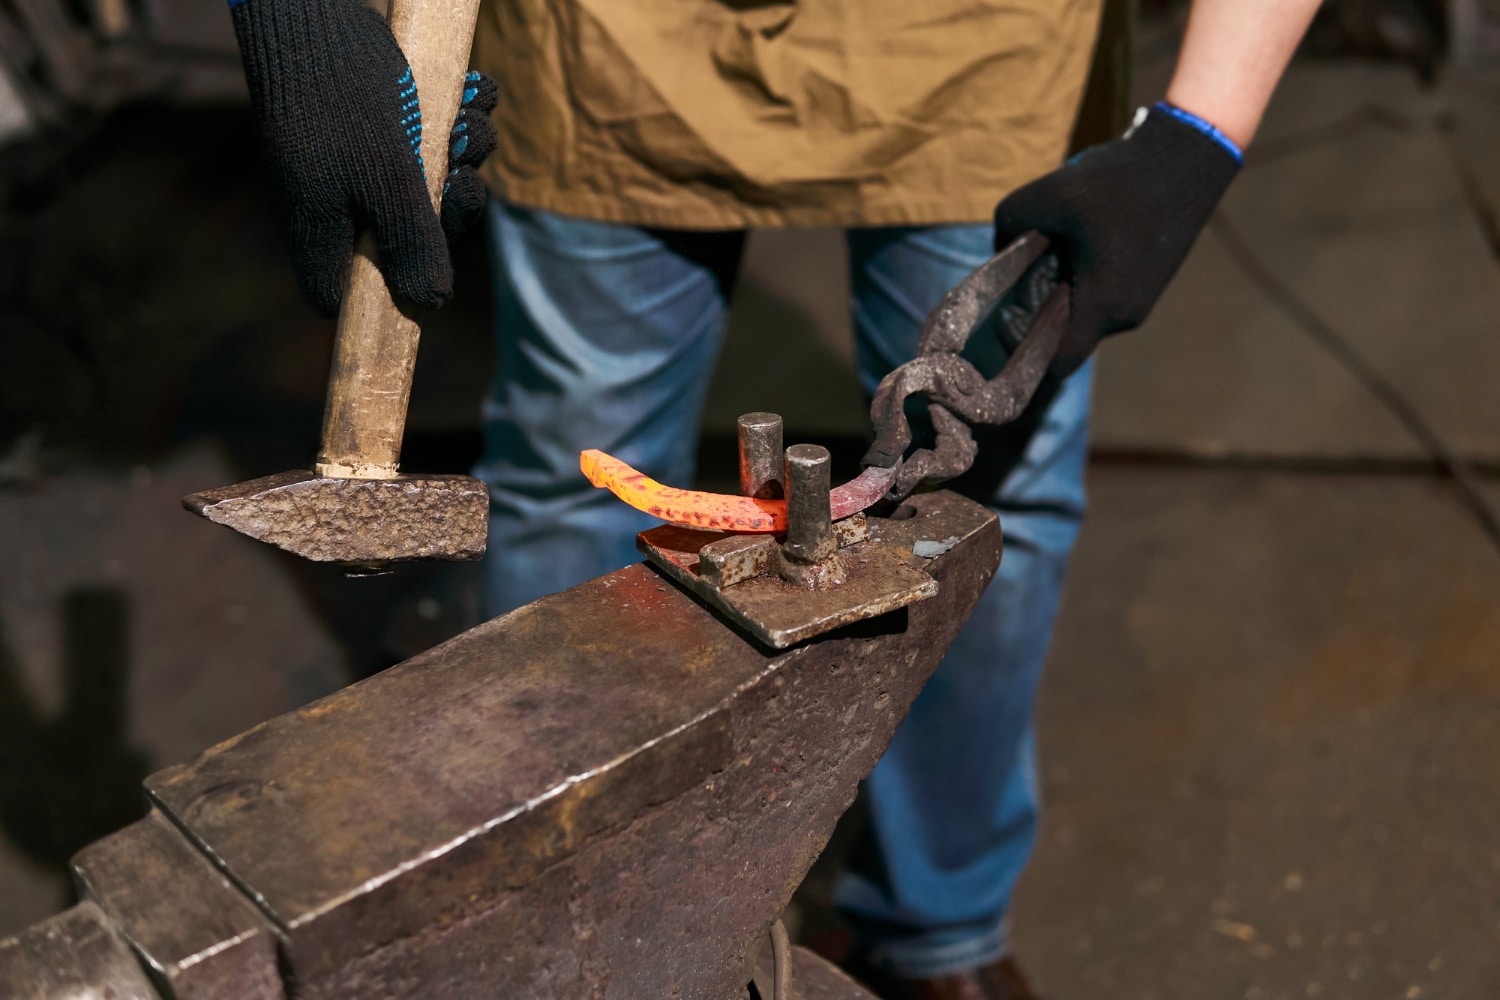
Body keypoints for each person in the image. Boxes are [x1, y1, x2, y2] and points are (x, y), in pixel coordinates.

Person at [227, 1, 1323, 996]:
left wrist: (1200, 132)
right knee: (574, 477)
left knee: (987, 502)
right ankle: (572, 931)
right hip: (612, 47)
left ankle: (936, 934)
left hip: (981, 51)